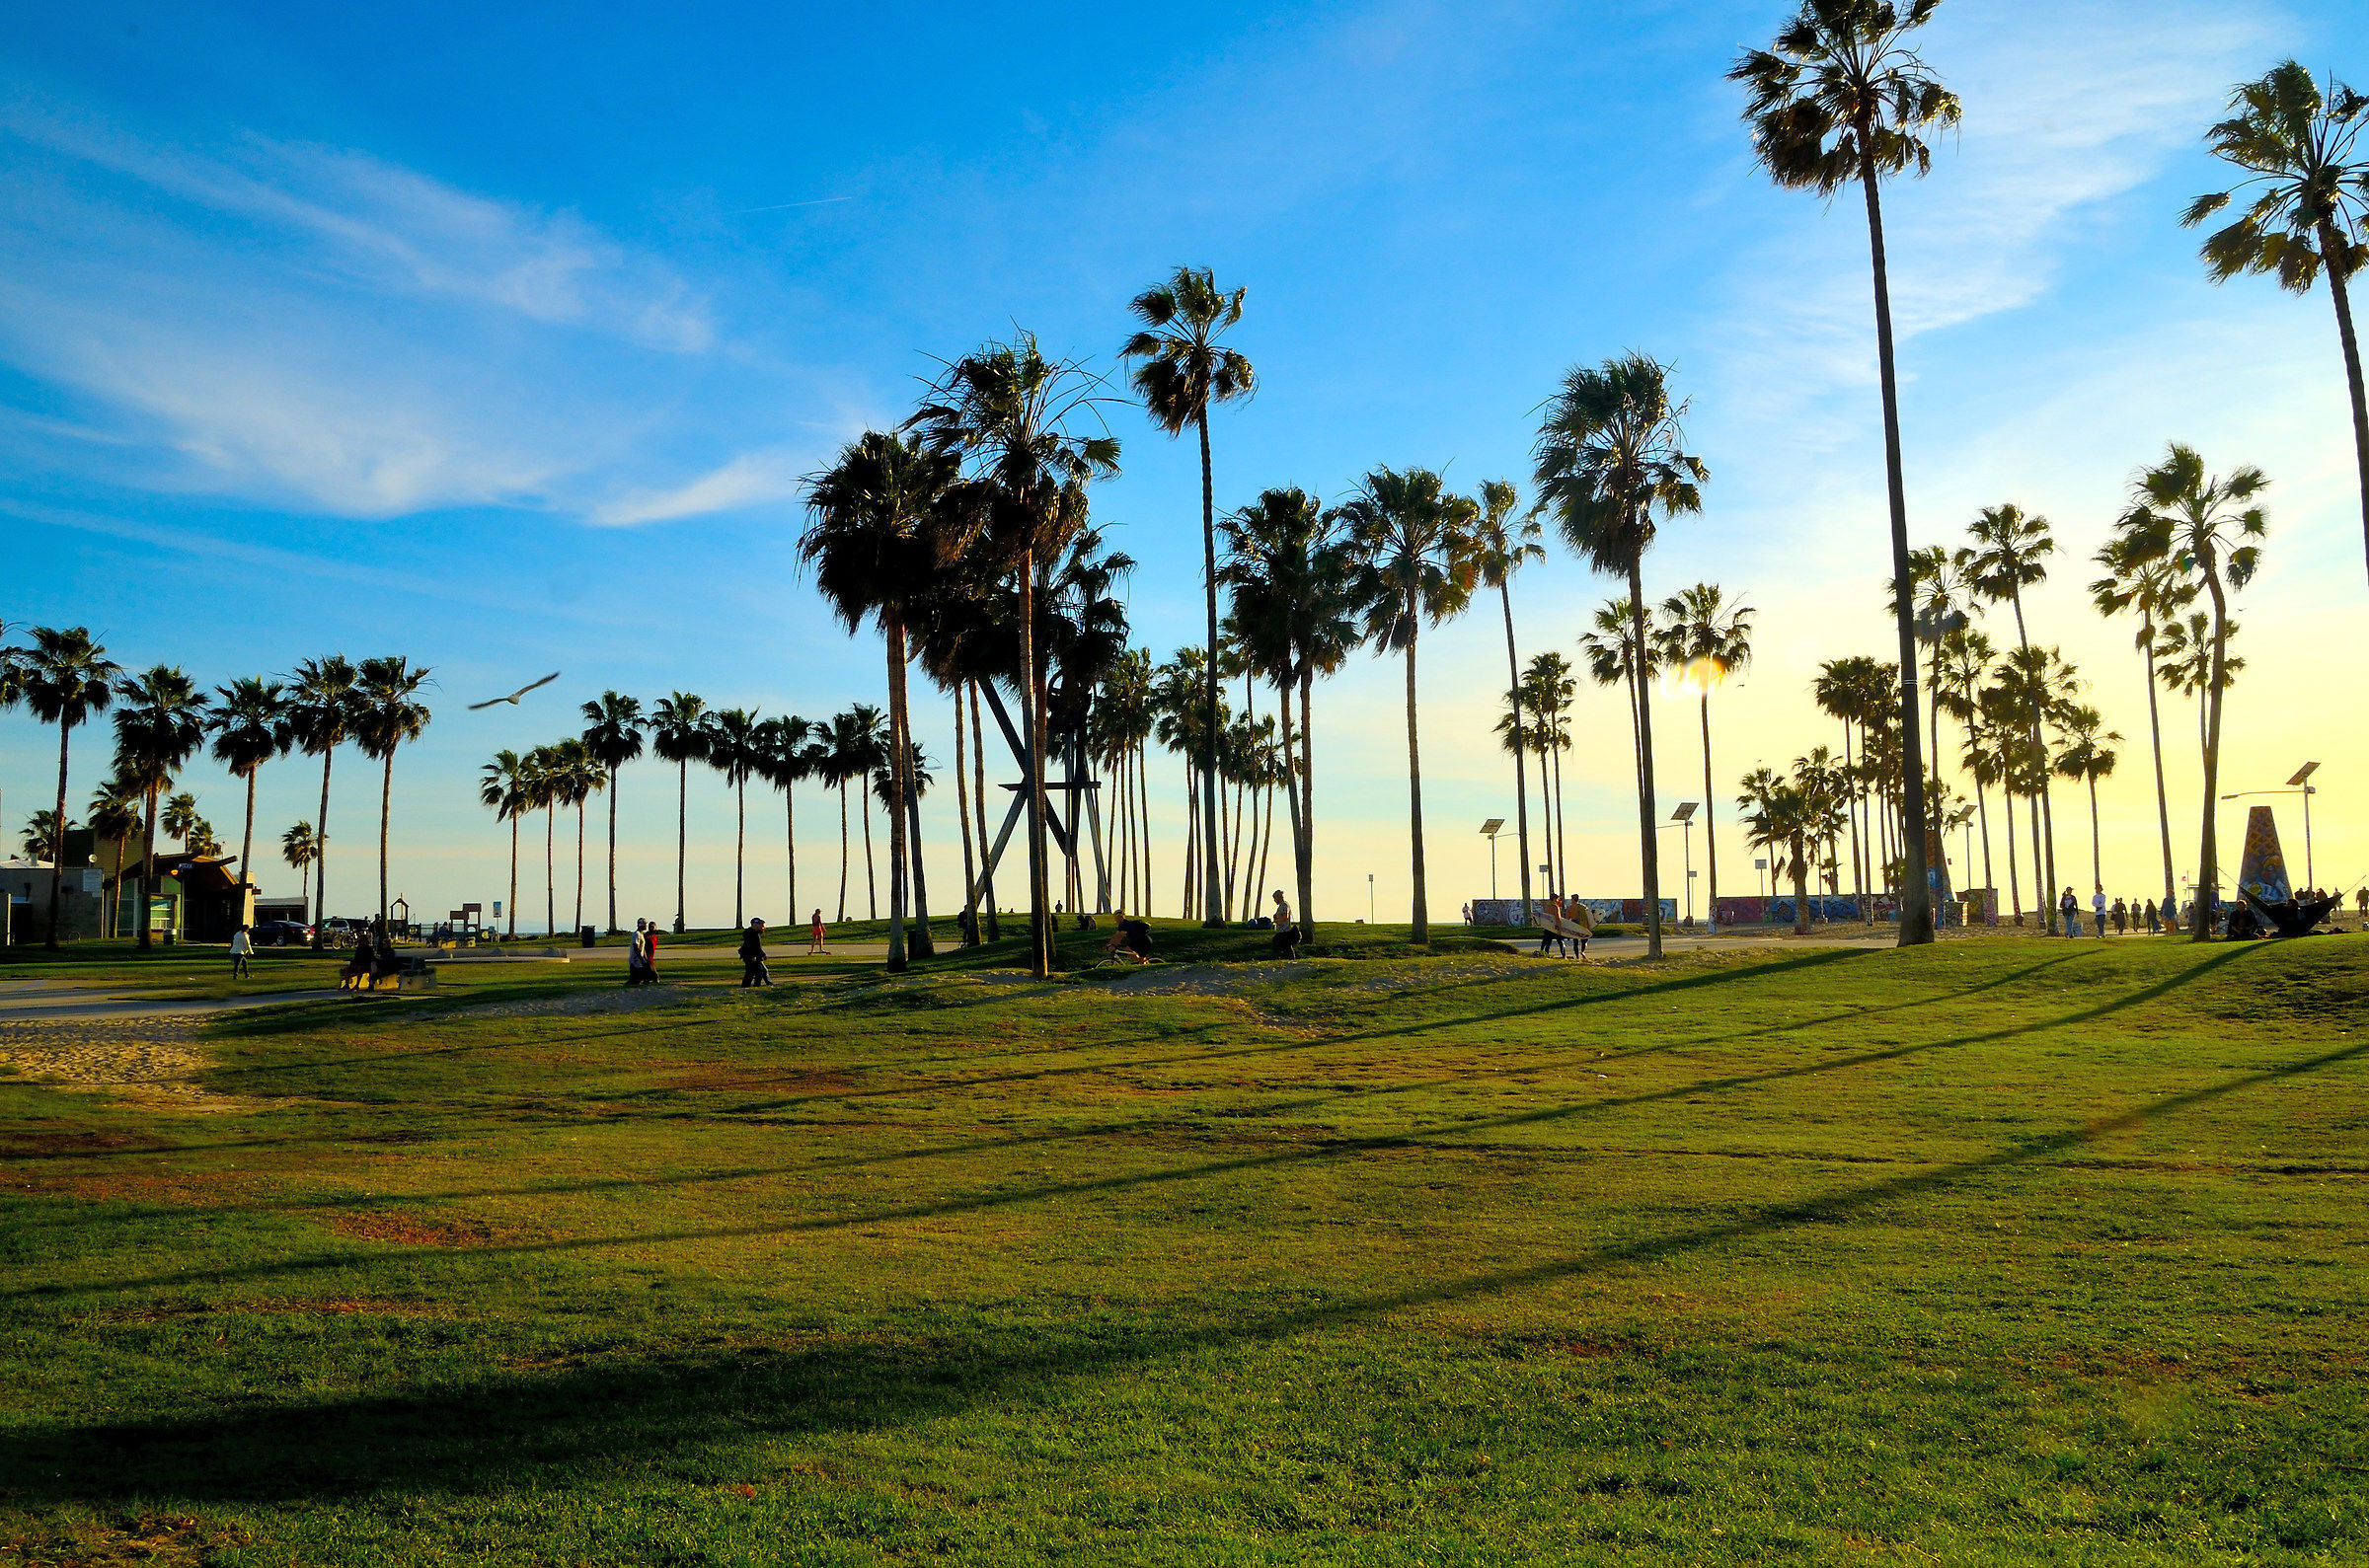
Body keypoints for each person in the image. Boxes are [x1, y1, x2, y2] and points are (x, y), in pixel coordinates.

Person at [738, 918, 773, 987]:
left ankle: (754, 985)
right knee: (755, 972)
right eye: (761, 925)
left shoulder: (754, 933)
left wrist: (762, 954)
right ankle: (752, 986)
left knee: (758, 972)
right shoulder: (750, 934)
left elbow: (757, 947)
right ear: (754, 925)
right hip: (750, 956)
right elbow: (751, 947)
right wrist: (753, 956)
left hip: (754, 956)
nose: (762, 928)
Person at [1270, 890, 1302, 958]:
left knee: (1277, 943)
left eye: (1275, 899)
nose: (1274, 900)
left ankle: (1276, 958)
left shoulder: (1284, 905)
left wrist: (1277, 920)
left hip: (1285, 931)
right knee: (1286, 947)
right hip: (1282, 930)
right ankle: (1290, 959)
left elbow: (1285, 917)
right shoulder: (1281, 906)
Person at [1537, 894, 1567, 958]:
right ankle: (1563, 955)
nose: (1558, 900)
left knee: (1547, 941)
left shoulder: (1547, 907)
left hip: (1548, 927)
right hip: (1555, 927)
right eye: (1557, 899)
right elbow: (1558, 918)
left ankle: (1544, 954)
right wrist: (1559, 928)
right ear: (1554, 899)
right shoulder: (1555, 907)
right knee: (1561, 942)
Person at [626, 919, 650, 986]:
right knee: (636, 977)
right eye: (645, 925)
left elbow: (642, 947)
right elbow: (636, 948)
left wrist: (645, 957)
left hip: (640, 958)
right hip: (635, 959)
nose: (646, 926)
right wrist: (641, 959)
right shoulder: (636, 934)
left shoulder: (641, 934)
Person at [643, 919, 661, 983]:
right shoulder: (646, 936)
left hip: (651, 956)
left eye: (653, 927)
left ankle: (647, 980)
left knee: (648, 972)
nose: (651, 928)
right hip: (646, 957)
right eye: (650, 927)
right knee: (654, 974)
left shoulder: (654, 937)